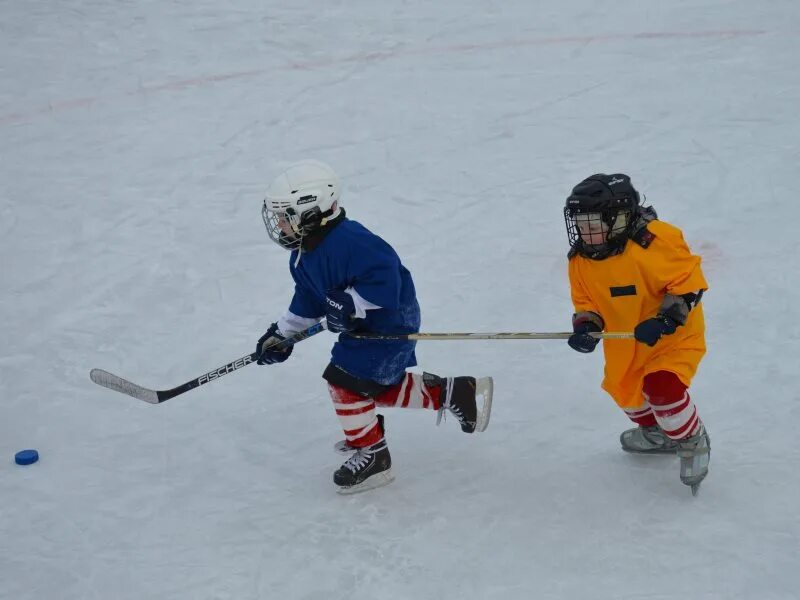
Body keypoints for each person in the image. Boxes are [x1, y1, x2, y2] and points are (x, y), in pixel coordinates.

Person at [255, 159, 493, 494]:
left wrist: (351, 301)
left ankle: (374, 455)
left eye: (286, 216)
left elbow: (386, 281)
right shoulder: (303, 254)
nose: (279, 224)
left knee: (345, 383)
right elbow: (308, 297)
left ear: (312, 211)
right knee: (371, 386)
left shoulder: (352, 241)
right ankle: (456, 393)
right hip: (363, 329)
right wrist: (283, 333)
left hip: (389, 323)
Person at [563, 173, 710, 494]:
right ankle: (658, 433)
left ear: (619, 217)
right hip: (625, 344)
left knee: (663, 389)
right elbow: (586, 303)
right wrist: (586, 327)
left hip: (673, 338)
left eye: (593, 223)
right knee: (625, 393)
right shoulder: (580, 261)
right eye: (580, 223)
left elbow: (689, 283)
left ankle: (691, 440)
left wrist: (666, 319)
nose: (585, 232)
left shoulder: (656, 240)